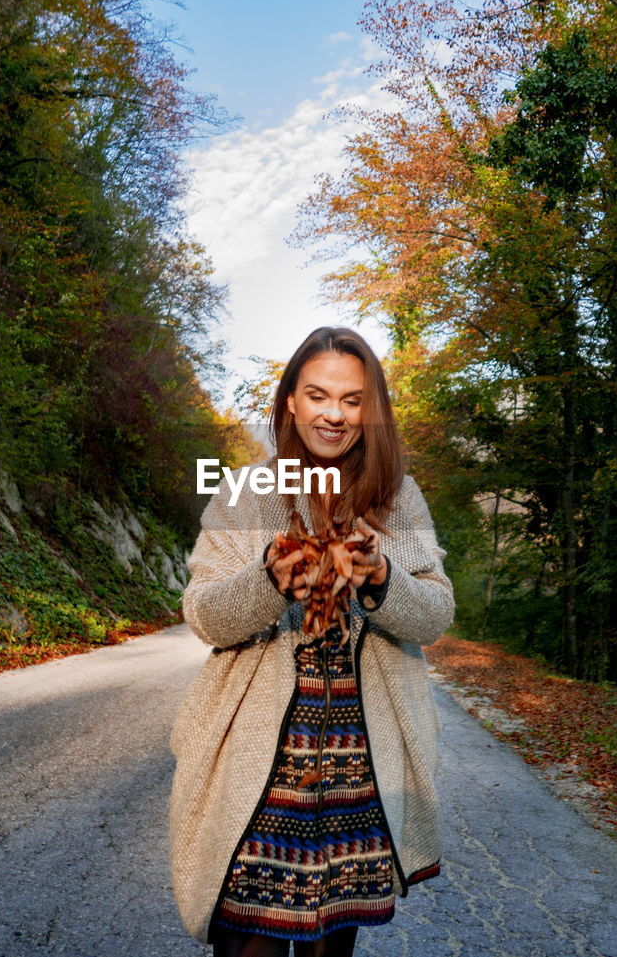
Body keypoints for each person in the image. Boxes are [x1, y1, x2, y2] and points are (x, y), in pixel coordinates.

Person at [169, 326, 455, 956]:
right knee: (248, 943)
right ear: (291, 402)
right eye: (318, 395)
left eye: (352, 400)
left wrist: (382, 577)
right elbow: (205, 616)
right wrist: (268, 577)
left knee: (333, 946)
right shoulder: (247, 494)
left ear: (371, 408)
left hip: (361, 760)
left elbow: (435, 615)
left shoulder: (396, 498)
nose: (334, 414)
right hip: (261, 761)